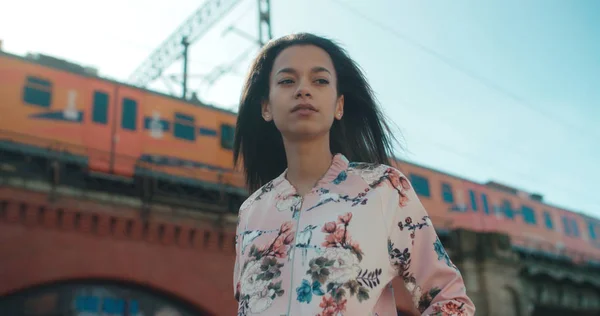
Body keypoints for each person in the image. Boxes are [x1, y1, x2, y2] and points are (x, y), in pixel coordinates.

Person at [232, 33, 475, 316]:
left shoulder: (383, 189)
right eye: (287, 80)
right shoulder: (250, 212)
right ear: (266, 107)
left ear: (339, 106)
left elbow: (451, 301)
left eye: (320, 80)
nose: (303, 90)